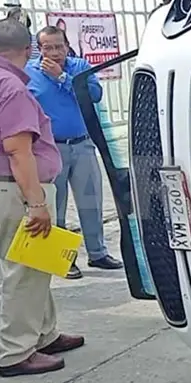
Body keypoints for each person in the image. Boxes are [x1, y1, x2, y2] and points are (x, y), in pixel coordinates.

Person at [0, 18, 83, 377]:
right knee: (24, 273)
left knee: (36, 265)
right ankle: (15, 352)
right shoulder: (11, 87)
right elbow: (18, 150)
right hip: (14, 189)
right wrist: (38, 202)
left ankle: (44, 333)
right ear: (29, 51)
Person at [26, 26, 123, 279]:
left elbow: (94, 95)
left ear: (67, 45)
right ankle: (61, 258)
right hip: (49, 147)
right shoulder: (30, 73)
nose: (55, 52)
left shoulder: (80, 67)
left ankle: (98, 252)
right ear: (39, 49)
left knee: (91, 200)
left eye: (59, 46)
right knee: (55, 205)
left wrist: (63, 78)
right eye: (48, 47)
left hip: (82, 143)